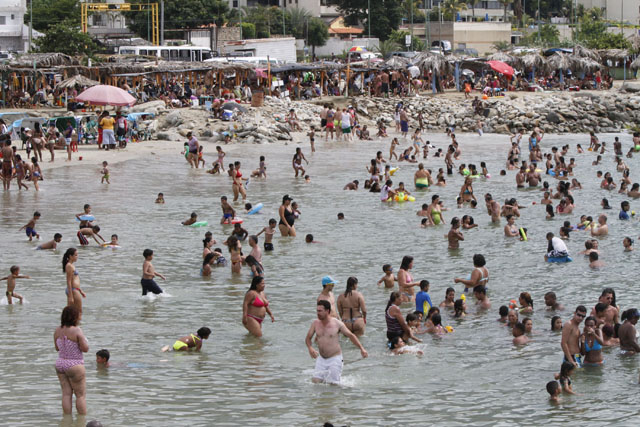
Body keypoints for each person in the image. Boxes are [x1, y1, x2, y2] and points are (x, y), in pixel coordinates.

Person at [305, 300, 368, 385]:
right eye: (317, 311)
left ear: (327, 311)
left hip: (335, 359)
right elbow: (308, 338)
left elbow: (350, 335)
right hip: (321, 359)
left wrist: (362, 348)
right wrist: (310, 348)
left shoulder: (336, 323)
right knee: (315, 383)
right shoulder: (315, 323)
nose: (318, 313)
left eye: (320, 311)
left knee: (333, 385)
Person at [54, 306, 88, 415]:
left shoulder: (57, 330)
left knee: (66, 394)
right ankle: (82, 421)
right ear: (74, 317)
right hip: (75, 364)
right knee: (80, 395)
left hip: (60, 363)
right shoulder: (77, 330)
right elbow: (85, 348)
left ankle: (67, 419)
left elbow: (57, 348)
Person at [63, 248, 86, 314]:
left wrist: (80, 291)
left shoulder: (72, 265)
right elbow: (69, 281)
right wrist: (70, 297)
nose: (77, 257)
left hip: (75, 289)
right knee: (79, 312)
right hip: (73, 290)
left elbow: (75, 279)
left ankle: (69, 323)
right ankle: (77, 323)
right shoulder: (69, 266)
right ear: (70, 256)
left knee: (72, 312)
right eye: (75, 255)